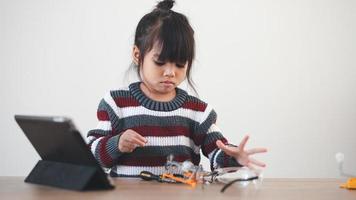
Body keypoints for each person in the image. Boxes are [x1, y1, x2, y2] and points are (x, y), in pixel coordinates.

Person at [87, 0, 267, 177]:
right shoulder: (117, 103)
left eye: (180, 64)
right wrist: (116, 144)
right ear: (137, 55)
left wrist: (234, 157)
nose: (170, 72)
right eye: (160, 62)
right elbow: (91, 155)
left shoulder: (198, 112)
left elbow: (217, 154)